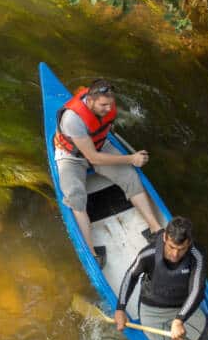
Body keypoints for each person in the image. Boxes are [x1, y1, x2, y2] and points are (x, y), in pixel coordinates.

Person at [54, 79, 162, 267]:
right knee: (76, 198)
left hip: (100, 145)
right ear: (90, 100)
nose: (108, 108)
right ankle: (92, 253)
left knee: (130, 177)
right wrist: (131, 159)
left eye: (110, 105)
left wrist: (128, 162)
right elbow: (93, 158)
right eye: (103, 105)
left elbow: (102, 132)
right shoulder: (72, 119)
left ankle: (156, 228)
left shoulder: (107, 105)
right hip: (72, 156)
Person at [114, 216, 208, 340]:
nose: (175, 254)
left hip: (184, 308)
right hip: (152, 312)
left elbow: (197, 290)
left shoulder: (197, 255)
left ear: (190, 243)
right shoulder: (149, 253)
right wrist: (120, 309)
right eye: (171, 247)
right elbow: (130, 276)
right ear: (165, 237)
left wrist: (179, 319)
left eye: (181, 249)